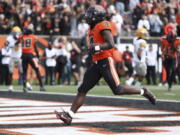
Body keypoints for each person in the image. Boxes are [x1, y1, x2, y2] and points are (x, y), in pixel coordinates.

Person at [54, 5, 156, 126]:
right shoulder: (92, 29)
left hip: (105, 62)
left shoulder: (103, 24)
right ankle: (70, 116)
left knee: (118, 90)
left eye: (90, 14)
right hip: (96, 63)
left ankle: (143, 91)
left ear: (97, 16)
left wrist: (98, 47)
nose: (88, 17)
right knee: (82, 89)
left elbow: (111, 43)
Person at [21, 27, 45, 92]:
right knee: (37, 70)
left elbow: (17, 41)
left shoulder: (22, 37)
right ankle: (41, 86)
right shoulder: (33, 37)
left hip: (23, 55)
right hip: (31, 55)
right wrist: (37, 55)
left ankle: (24, 87)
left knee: (24, 72)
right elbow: (35, 47)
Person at [161, 26, 180, 91]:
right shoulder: (164, 40)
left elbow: (178, 50)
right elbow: (162, 49)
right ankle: (169, 84)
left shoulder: (177, 41)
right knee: (168, 72)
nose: (171, 39)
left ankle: (170, 83)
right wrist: (164, 51)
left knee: (173, 71)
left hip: (173, 58)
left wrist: (176, 48)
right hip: (166, 58)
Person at [5, 26, 23, 91]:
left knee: (23, 72)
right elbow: (6, 45)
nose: (18, 34)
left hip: (19, 57)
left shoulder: (21, 38)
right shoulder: (9, 38)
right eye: (16, 32)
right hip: (12, 57)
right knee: (10, 72)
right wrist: (12, 44)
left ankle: (25, 84)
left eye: (19, 32)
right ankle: (10, 86)